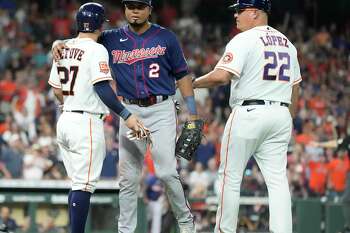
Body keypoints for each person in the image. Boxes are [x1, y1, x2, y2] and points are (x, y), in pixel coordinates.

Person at [52, 0, 200, 232]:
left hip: (160, 109)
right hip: (129, 109)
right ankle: (125, 230)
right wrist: (58, 42)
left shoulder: (166, 37)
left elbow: (182, 75)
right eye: (130, 6)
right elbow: (82, 41)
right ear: (124, 9)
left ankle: (186, 222)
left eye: (140, 6)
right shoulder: (109, 38)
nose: (134, 10)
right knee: (128, 179)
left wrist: (192, 113)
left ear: (150, 9)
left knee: (167, 172)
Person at [192, 0, 302, 232]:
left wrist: (193, 83)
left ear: (254, 13)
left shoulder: (244, 39)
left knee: (229, 177)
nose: (235, 16)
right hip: (281, 113)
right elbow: (295, 88)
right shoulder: (288, 44)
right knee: (278, 181)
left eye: (239, 11)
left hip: (249, 112)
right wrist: (287, 119)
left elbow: (221, 76)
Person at [48, 3, 146, 233]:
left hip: (65, 119)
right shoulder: (96, 49)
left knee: (77, 185)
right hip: (86, 122)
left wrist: (73, 101)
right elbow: (102, 87)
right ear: (100, 25)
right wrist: (126, 115)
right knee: (84, 185)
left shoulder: (62, 47)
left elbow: (55, 89)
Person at [312, 133, 350, 233]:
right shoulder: (347, 140)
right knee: (344, 201)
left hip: (344, 186)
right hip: (338, 188)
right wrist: (320, 145)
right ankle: (347, 227)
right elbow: (336, 143)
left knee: (345, 200)